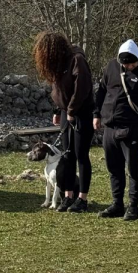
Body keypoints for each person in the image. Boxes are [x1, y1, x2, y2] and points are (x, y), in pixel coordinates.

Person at [94, 39, 138, 221]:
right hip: (110, 127)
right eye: (126, 63)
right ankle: (117, 203)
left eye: (132, 63)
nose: (129, 66)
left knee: (134, 170)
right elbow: (101, 91)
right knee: (113, 168)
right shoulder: (111, 67)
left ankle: (133, 206)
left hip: (132, 128)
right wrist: (96, 114)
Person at [33, 31, 95, 213]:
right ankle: (68, 195)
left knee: (81, 155)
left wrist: (72, 110)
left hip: (81, 114)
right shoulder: (58, 65)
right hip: (66, 112)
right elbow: (58, 89)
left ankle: (82, 198)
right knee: (67, 156)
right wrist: (58, 110)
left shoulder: (77, 60)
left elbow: (82, 88)